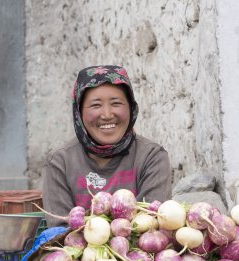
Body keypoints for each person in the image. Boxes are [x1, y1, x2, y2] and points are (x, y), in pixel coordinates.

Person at [42, 65, 172, 227]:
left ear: (131, 108)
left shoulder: (152, 157)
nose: (107, 115)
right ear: (79, 112)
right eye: (96, 105)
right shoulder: (60, 162)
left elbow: (150, 226)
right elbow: (60, 234)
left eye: (116, 103)